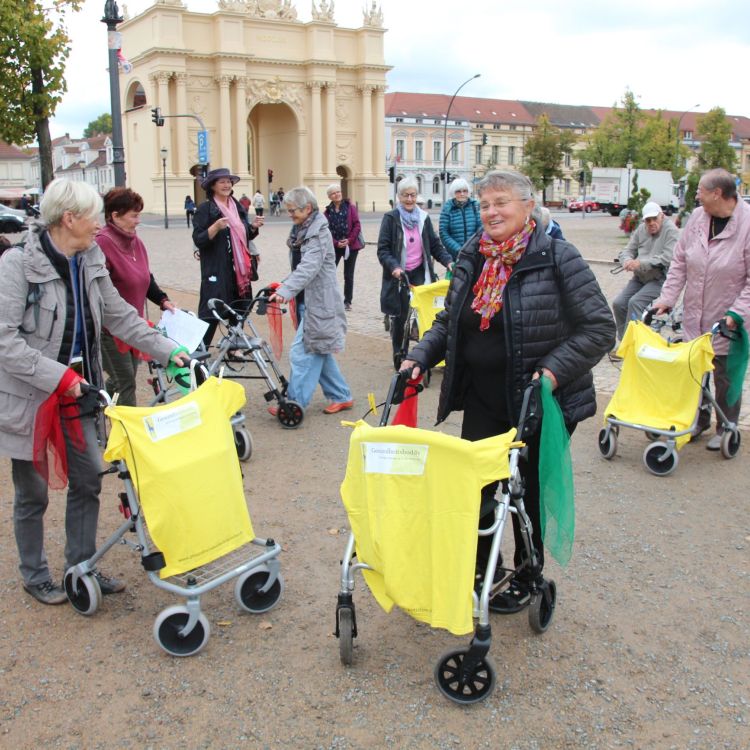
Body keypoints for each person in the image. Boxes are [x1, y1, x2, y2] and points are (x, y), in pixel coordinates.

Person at [400, 170, 614, 612]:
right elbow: (448, 321)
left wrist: (553, 371)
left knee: (526, 493)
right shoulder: (472, 255)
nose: (491, 212)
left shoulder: (557, 257)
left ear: (528, 207)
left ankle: (528, 572)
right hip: (483, 396)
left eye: (501, 203)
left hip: (539, 402)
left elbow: (599, 328)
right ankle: (482, 567)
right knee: (478, 485)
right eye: (485, 205)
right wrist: (420, 356)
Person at [0, 179, 188, 605]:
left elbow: (120, 314)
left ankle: (79, 567)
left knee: (88, 477)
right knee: (32, 491)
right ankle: (35, 576)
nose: (99, 225)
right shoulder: (16, 265)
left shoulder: (90, 255)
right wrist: (62, 378)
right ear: (69, 218)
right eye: (94, 217)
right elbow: (5, 342)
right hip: (30, 394)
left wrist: (170, 351)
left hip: (81, 390)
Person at [653, 168, 750, 450]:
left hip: (729, 320)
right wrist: (667, 298)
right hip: (695, 316)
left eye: (700, 190)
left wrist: (737, 314)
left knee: (725, 376)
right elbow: (680, 262)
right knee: (693, 372)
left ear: (717, 193)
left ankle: (726, 426)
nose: (696, 195)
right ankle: (697, 420)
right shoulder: (698, 218)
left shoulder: (746, 224)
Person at [268, 186, 353, 415]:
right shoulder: (302, 229)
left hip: (321, 302)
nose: (290, 214)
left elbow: (309, 267)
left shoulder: (317, 232)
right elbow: (300, 267)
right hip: (310, 299)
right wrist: (283, 285)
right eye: (288, 210)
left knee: (302, 353)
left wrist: (286, 290)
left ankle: (293, 405)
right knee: (319, 349)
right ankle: (342, 395)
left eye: (292, 210)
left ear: (307, 208)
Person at [96, 187, 176, 406]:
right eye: (134, 215)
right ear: (115, 216)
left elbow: (144, 276)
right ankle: (130, 435)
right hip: (109, 328)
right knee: (126, 382)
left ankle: (97, 400)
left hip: (134, 325)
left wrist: (162, 299)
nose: (138, 220)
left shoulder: (135, 242)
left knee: (123, 378)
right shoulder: (102, 243)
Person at [377, 176, 454, 364]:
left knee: (424, 313)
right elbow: (383, 249)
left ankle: (423, 354)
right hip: (400, 274)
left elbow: (435, 245)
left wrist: (449, 262)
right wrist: (394, 267)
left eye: (412, 195)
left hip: (420, 270)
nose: (410, 199)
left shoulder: (423, 218)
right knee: (400, 316)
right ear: (399, 197)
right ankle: (399, 353)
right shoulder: (391, 219)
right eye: (405, 195)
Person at [192, 168, 263, 346]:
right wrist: (214, 227)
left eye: (229, 181)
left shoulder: (237, 207)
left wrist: (252, 227)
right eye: (222, 182)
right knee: (212, 309)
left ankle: (232, 345)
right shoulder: (205, 209)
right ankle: (201, 348)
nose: (226, 185)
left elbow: (244, 235)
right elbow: (199, 239)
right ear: (213, 186)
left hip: (239, 269)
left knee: (239, 306)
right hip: (217, 267)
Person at [612, 201, 678, 346]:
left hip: (660, 278)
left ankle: (633, 345)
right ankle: (624, 342)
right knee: (618, 303)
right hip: (640, 277)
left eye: (655, 219)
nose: (652, 223)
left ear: (662, 216)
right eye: (648, 220)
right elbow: (627, 250)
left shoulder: (671, 231)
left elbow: (667, 258)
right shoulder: (641, 229)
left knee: (634, 303)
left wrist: (641, 263)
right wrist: (627, 261)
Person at [324, 183, 364, 312]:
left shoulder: (350, 207)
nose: (337, 194)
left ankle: (347, 301)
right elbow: (326, 230)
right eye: (333, 193)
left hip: (350, 247)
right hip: (335, 247)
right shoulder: (327, 212)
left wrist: (349, 240)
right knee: (329, 273)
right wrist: (336, 242)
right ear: (330, 196)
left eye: (338, 192)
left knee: (348, 274)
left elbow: (357, 225)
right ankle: (330, 299)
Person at [439, 178, 481, 260]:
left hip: (474, 253)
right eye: (458, 191)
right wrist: (459, 250)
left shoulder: (475, 205)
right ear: (453, 193)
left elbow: (480, 229)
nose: (462, 194)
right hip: (455, 255)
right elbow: (444, 233)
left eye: (465, 191)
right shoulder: (448, 208)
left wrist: (472, 248)